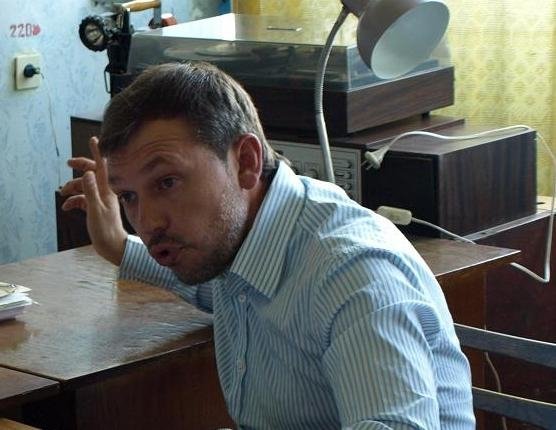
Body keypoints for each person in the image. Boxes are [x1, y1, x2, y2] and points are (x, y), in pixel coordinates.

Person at [61, 62, 475, 429]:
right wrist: (119, 246)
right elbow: (212, 289)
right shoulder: (236, 246)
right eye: (129, 196)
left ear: (246, 161)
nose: (148, 222)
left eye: (167, 182)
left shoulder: (354, 274)